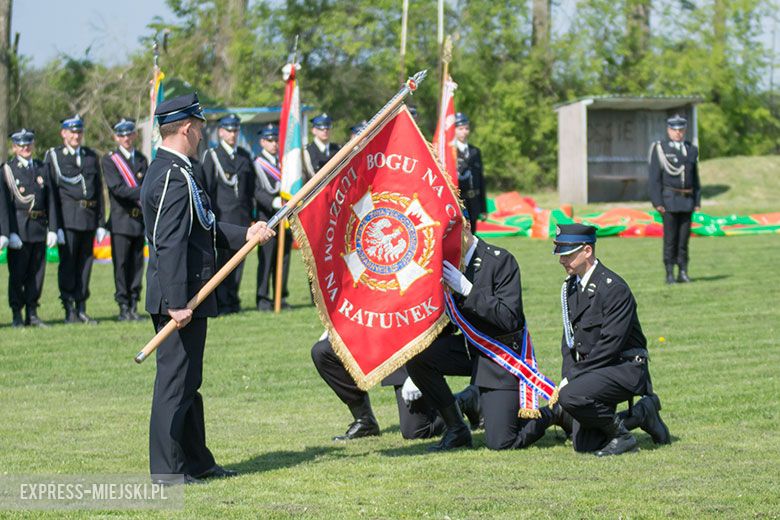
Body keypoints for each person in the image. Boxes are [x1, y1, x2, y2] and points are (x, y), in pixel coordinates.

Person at [141, 93, 275, 484]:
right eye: (199, 127)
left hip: (188, 296)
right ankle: (166, 473)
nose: (202, 134)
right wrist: (177, 302)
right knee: (173, 386)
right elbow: (169, 243)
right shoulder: (169, 174)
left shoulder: (182, 170)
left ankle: (197, 462)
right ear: (185, 128)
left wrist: (245, 233)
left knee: (188, 384)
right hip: (179, 300)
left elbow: (206, 225)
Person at [405, 217, 538, 451]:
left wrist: (467, 290)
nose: (445, 242)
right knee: (419, 359)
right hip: (468, 348)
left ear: (466, 227)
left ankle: (557, 413)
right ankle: (457, 428)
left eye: (450, 234)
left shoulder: (500, 261)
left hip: (500, 354)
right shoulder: (445, 263)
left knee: (501, 442)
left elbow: (509, 319)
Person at [552, 223, 670, 456]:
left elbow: (610, 345)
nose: (562, 261)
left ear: (587, 251)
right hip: (597, 370)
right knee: (584, 445)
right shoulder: (571, 287)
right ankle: (642, 414)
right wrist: (568, 375)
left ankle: (622, 436)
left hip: (624, 367)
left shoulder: (614, 288)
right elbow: (569, 341)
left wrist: (574, 380)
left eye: (567, 254)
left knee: (571, 396)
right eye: (560, 255)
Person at [311, 333, 453, 441]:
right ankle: (365, 422)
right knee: (323, 351)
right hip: (376, 335)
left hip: (409, 344)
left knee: (416, 431)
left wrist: (418, 373)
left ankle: (464, 403)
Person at [44, 114, 106, 324]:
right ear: (63, 133)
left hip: (88, 219)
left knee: (86, 265)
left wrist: (100, 223)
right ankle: (69, 307)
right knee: (68, 265)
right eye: (72, 132)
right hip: (68, 219)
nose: (76, 136)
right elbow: (51, 193)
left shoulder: (90, 156)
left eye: (79, 132)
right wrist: (54, 226)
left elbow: (98, 190)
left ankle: (81, 307)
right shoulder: (54, 156)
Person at [197, 113, 256, 315]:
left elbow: (250, 189)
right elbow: (207, 189)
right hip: (222, 218)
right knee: (222, 263)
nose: (233, 134)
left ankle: (233, 300)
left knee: (239, 263)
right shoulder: (213, 156)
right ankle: (221, 302)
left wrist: (252, 214)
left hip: (242, 217)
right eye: (229, 130)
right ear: (221, 132)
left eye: (235, 130)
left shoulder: (244, 156)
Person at [0, 128, 59, 327]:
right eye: (21, 145)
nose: (26, 148)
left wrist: (53, 228)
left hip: (39, 227)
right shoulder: (8, 170)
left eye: (28, 144)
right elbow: (5, 205)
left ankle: (32, 312)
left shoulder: (42, 168)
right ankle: (17, 312)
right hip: (20, 229)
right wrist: (8, 232)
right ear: (14, 147)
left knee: (37, 273)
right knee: (17, 275)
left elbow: (51, 200)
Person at [101, 118, 148, 321]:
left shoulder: (141, 160)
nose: (126, 138)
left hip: (139, 221)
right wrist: (144, 192)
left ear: (135, 136)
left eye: (129, 134)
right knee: (121, 265)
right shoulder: (110, 160)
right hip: (121, 221)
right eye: (122, 135)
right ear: (116, 137)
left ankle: (133, 304)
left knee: (137, 265)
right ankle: (122, 305)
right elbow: (118, 189)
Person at [648, 114, 701, 284]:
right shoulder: (661, 149)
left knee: (684, 240)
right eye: (674, 130)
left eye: (681, 130)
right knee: (670, 240)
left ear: (684, 130)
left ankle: (683, 271)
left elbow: (695, 178)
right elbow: (654, 178)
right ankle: (669, 272)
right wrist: (657, 202)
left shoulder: (691, 149)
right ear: (669, 130)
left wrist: (697, 201)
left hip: (687, 200)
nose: (678, 133)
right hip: (669, 200)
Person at [253, 123, 291, 311]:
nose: (274, 143)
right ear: (262, 142)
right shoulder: (257, 164)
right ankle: (263, 297)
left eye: (276, 140)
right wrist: (274, 202)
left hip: (285, 219)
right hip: (266, 218)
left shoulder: (285, 164)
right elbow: (256, 190)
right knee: (266, 261)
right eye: (270, 140)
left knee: (283, 260)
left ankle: (280, 297)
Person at [454, 113, 487, 232]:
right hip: (459, 201)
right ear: (454, 130)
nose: (464, 132)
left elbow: (481, 180)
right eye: (460, 129)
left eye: (466, 128)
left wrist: (483, 208)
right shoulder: (450, 151)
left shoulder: (475, 151)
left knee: (472, 235)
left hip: (473, 201)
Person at [303, 113, 340, 182]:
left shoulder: (338, 149)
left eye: (327, 127)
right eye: (321, 128)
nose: (325, 130)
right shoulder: (307, 151)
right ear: (313, 130)